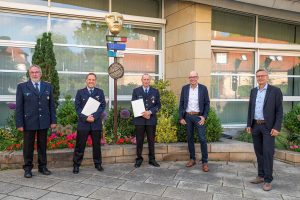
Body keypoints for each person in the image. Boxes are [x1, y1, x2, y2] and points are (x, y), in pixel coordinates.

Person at [16, 65, 56, 178]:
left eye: (37, 72)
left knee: (42, 145)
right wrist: (19, 123)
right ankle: (27, 168)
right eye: (32, 72)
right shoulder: (22, 87)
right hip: (28, 122)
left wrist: (53, 120)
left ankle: (42, 167)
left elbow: (51, 105)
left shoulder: (47, 86)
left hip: (44, 121)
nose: (35, 74)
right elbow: (19, 107)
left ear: (41, 73)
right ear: (29, 74)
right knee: (28, 147)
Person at [246, 69, 283, 191]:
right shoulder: (253, 91)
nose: (260, 78)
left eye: (262, 76)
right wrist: (249, 124)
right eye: (258, 76)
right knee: (259, 152)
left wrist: (276, 127)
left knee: (267, 153)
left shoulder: (275, 91)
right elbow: (250, 109)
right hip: (255, 125)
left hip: (268, 127)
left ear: (267, 77)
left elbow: (279, 111)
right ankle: (261, 175)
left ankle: (268, 180)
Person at [73, 73, 106, 174]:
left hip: (95, 123)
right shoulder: (80, 92)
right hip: (83, 123)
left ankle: (98, 163)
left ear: (95, 81)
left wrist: (94, 117)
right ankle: (76, 165)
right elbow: (77, 108)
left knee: (97, 145)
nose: (91, 81)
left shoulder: (100, 92)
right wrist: (86, 117)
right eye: (89, 79)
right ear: (86, 80)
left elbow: (102, 106)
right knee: (80, 145)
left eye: (93, 80)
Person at [179, 71, 210, 172]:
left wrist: (204, 117)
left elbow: (207, 104)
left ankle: (205, 162)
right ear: (189, 78)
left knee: (202, 138)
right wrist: (181, 117)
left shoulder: (203, 88)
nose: (192, 79)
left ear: (197, 77)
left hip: (198, 117)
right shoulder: (185, 88)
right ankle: (192, 159)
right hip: (188, 116)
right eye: (190, 77)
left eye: (194, 77)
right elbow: (181, 103)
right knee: (190, 138)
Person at [131, 74, 161, 168]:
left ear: (150, 80)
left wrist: (150, 112)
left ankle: (152, 159)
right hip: (139, 120)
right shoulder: (136, 91)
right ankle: (139, 159)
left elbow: (158, 105)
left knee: (151, 140)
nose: (146, 81)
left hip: (151, 120)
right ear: (141, 80)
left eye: (148, 79)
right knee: (139, 140)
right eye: (144, 79)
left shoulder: (155, 91)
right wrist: (144, 114)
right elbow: (134, 104)